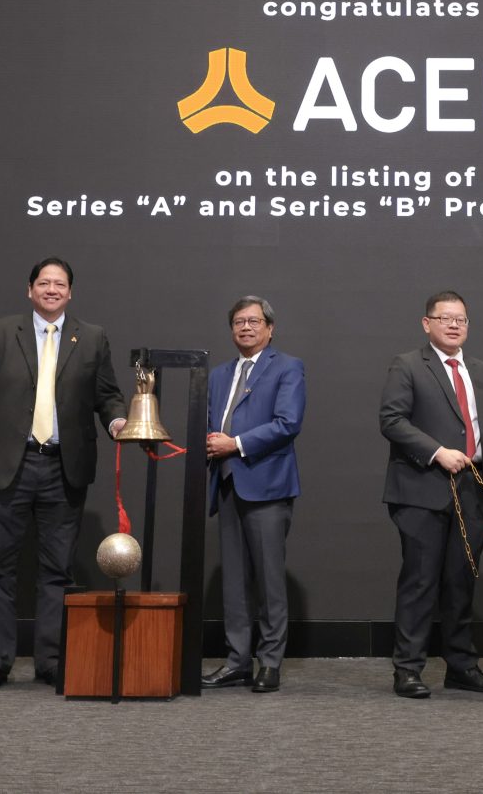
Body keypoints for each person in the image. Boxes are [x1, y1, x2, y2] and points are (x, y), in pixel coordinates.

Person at [0, 257, 127, 691]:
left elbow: (107, 395)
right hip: (5, 465)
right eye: (44, 283)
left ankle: (51, 660)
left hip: (63, 466)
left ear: (70, 292)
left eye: (60, 284)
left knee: (58, 570)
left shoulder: (91, 337)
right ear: (30, 289)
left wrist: (117, 422)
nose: (52, 289)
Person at [379, 290, 483, 698]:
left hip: (474, 491)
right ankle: (408, 669)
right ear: (426, 323)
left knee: (461, 582)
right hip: (422, 489)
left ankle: (461, 666)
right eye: (445, 318)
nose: (454, 325)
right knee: (419, 582)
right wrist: (436, 452)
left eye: (461, 319)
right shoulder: (409, 365)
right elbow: (392, 420)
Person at [201, 296, 305, 694]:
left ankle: (270, 662)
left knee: (268, 580)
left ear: (270, 328)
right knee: (235, 581)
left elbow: (287, 423)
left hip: (267, 484)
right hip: (226, 483)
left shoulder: (287, 368)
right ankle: (236, 661)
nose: (246, 327)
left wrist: (236, 444)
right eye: (239, 322)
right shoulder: (219, 375)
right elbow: (212, 423)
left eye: (254, 321)